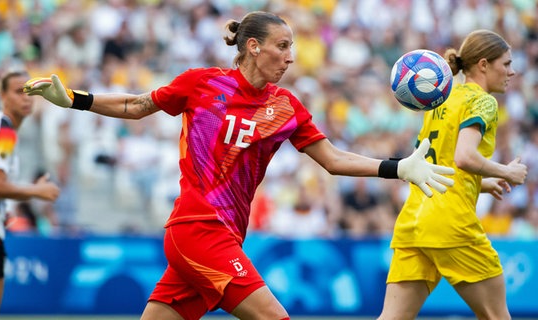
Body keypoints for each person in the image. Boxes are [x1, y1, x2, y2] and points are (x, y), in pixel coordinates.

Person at [24, 11, 454, 320]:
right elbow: (136, 106)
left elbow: (334, 160)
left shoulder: (286, 107)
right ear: (253, 46)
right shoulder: (202, 83)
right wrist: (75, 100)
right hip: (198, 228)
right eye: (282, 47)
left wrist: (397, 168)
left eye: (293, 49)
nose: (290, 58)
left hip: (221, 235)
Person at [378, 29, 528, 320]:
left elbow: (435, 164)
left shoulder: (441, 99)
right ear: (483, 64)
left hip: (414, 221)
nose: (512, 71)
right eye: (506, 64)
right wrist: (507, 171)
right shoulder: (483, 101)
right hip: (451, 224)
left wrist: (482, 184)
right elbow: (464, 157)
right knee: (498, 316)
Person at [0, 70, 60, 320]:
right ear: (2, 96)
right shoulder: (4, 130)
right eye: (19, 91)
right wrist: (37, 191)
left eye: (30, 91)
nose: (27, 97)